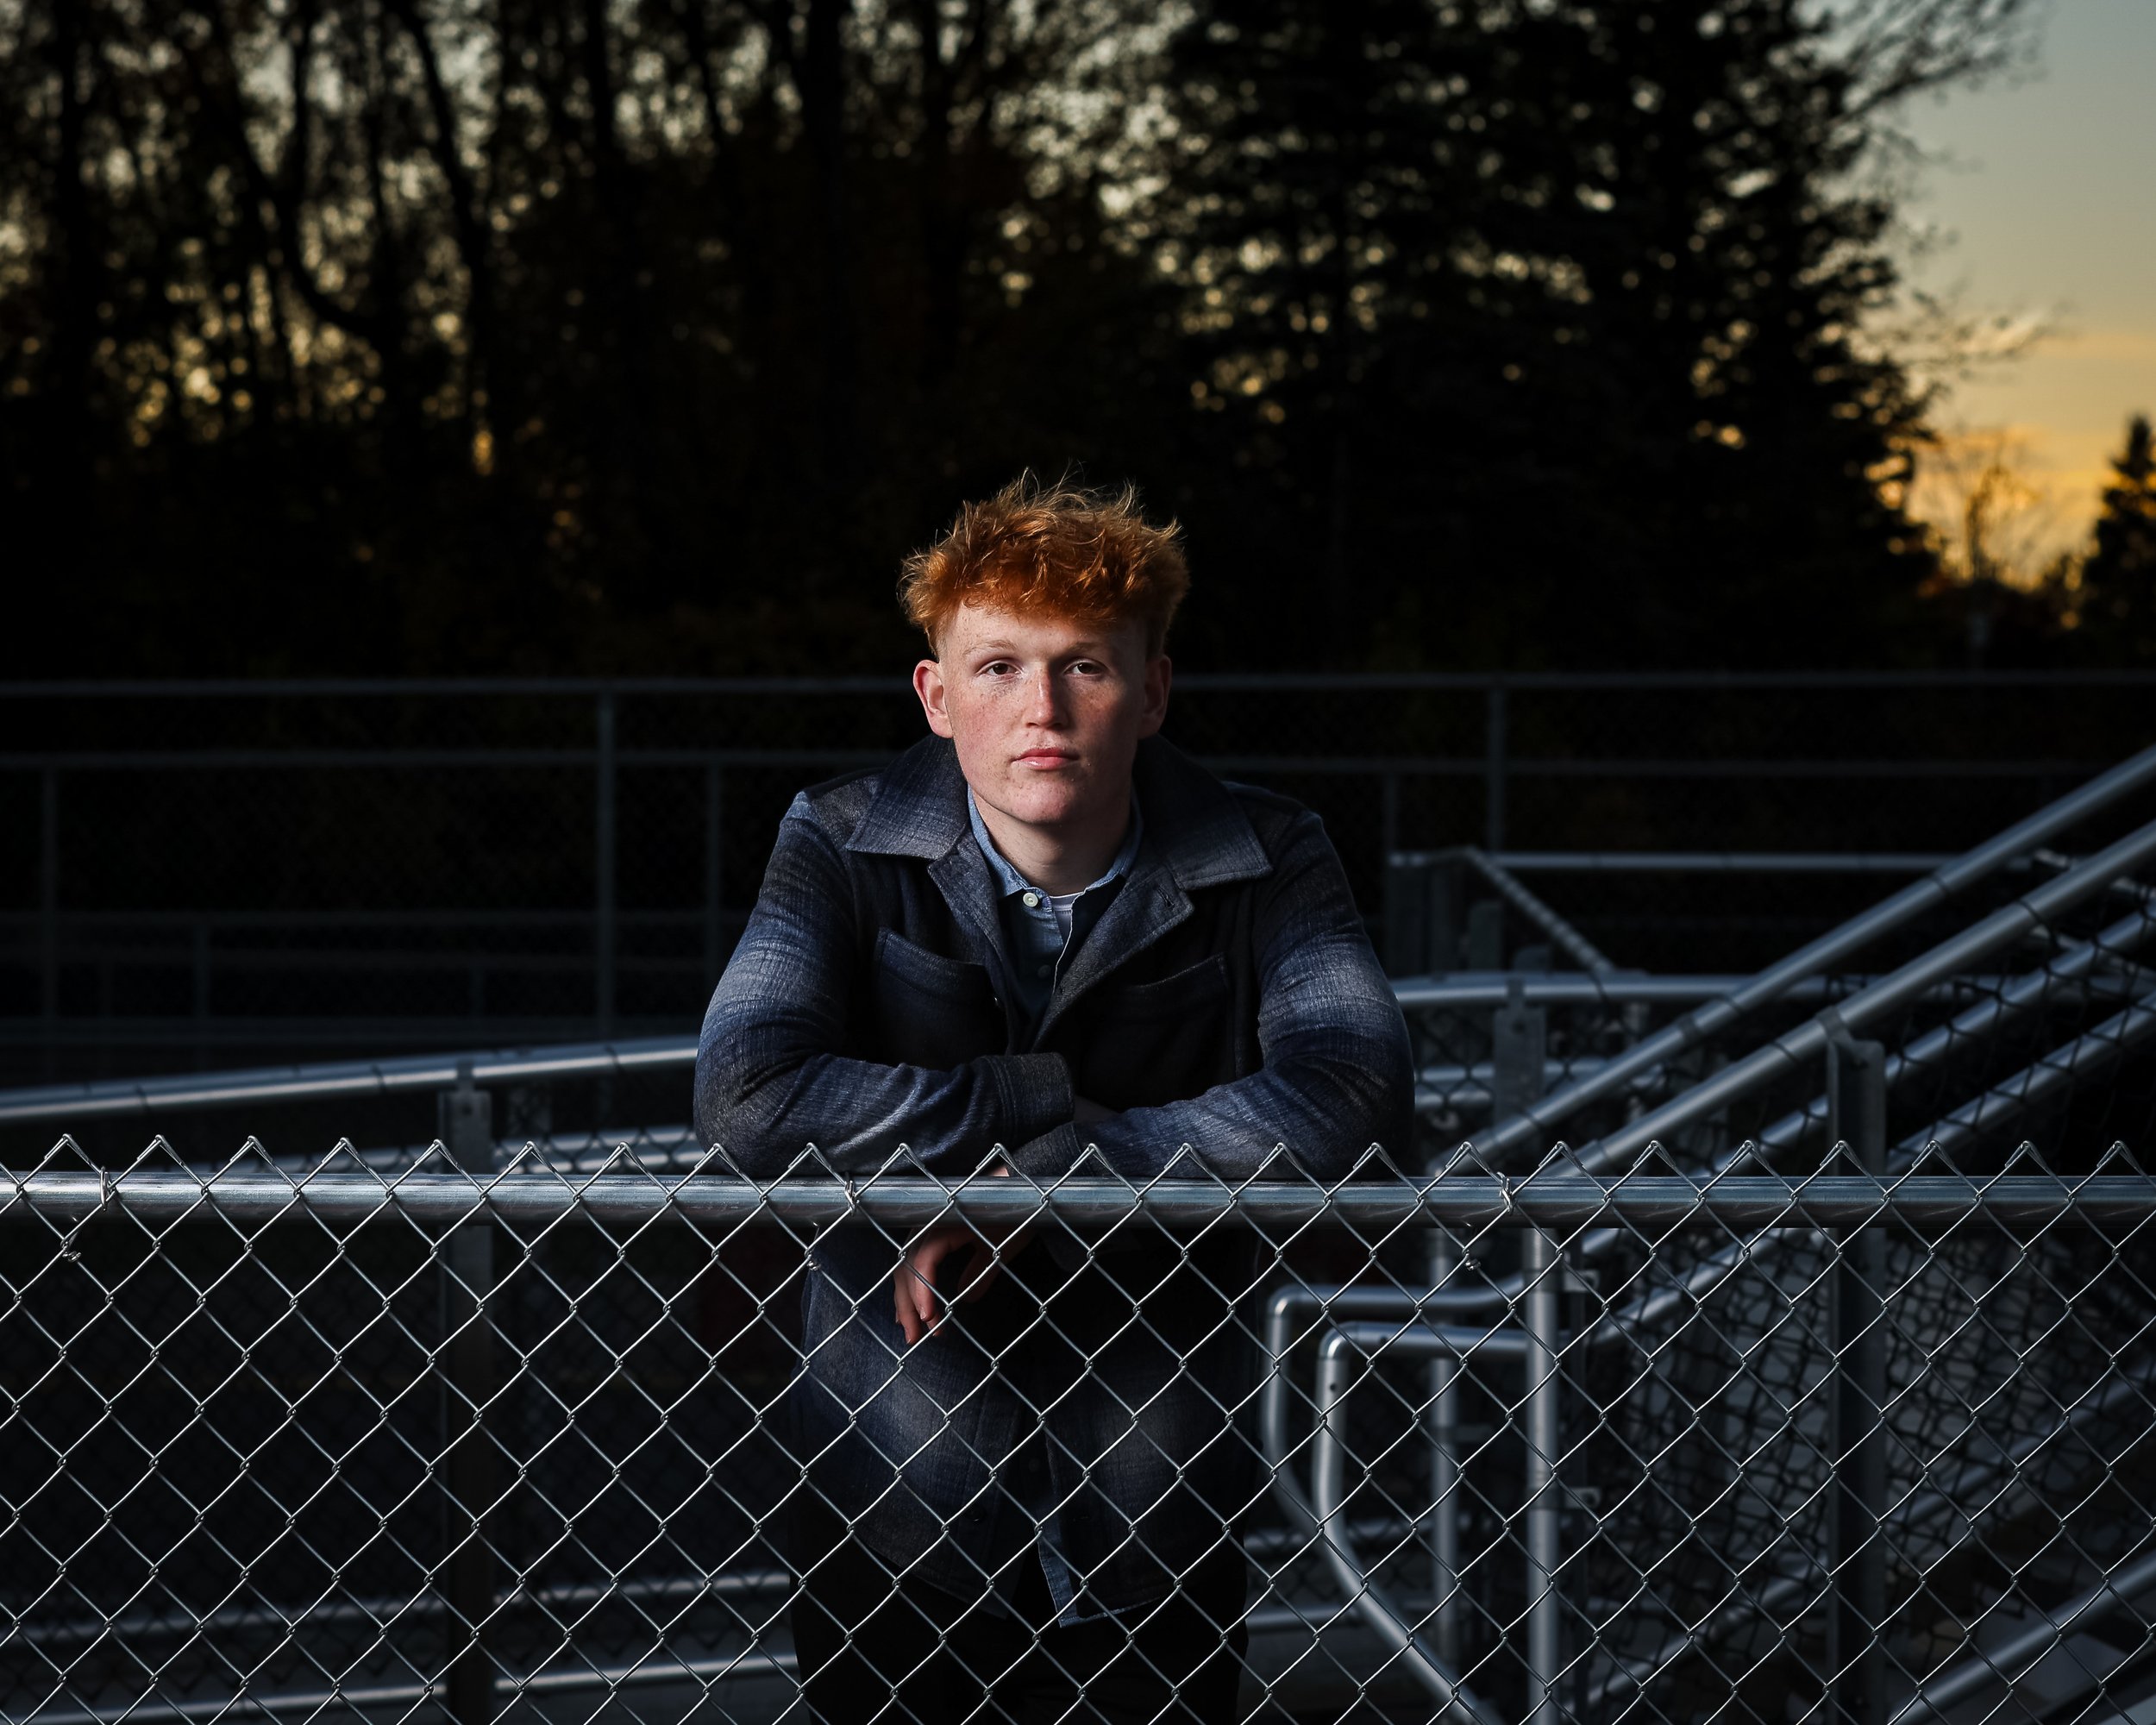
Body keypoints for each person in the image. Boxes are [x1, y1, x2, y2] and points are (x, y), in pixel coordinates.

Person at [694, 475, 1414, 1723]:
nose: (1042, 709)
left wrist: (1066, 1178)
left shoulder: (1269, 847)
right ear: (934, 696)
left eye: (1085, 667)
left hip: (1157, 1451)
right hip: (895, 1465)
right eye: (997, 668)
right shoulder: (839, 835)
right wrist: (1027, 1111)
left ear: (1154, 692)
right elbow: (748, 1086)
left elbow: (1352, 1088)